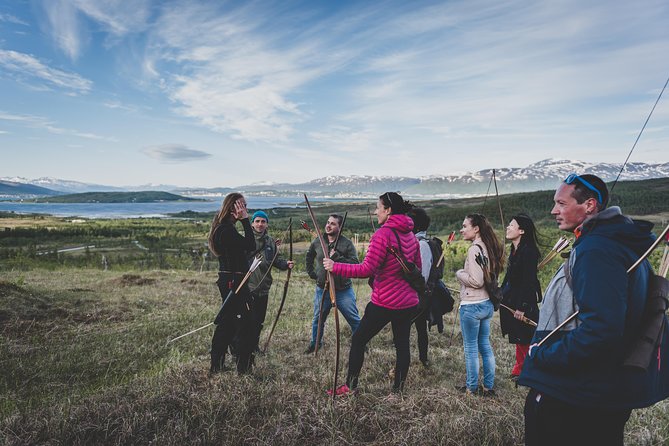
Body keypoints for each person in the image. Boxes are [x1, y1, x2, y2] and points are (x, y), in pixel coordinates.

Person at [519, 173, 669, 445]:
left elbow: (602, 329)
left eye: (561, 203)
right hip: (599, 391)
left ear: (589, 206)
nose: (554, 211)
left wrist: (543, 355)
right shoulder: (620, 245)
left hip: (576, 394)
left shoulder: (597, 250)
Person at [323, 192, 421, 394]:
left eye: (379, 207)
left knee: (358, 340)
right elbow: (417, 268)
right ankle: (397, 391)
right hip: (408, 302)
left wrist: (335, 266)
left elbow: (365, 269)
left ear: (388, 210)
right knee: (402, 345)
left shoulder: (383, 234)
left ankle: (350, 386)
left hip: (385, 302)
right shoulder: (411, 235)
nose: (376, 211)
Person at [207, 193, 256, 374]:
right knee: (243, 324)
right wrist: (245, 221)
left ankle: (219, 365)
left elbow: (244, 248)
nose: (245, 209)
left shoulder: (226, 229)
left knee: (228, 323)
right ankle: (241, 368)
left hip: (234, 280)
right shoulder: (225, 230)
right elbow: (249, 245)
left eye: (245, 206)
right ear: (233, 208)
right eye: (242, 205)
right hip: (234, 282)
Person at [455, 213, 504, 396]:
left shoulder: (475, 249)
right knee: (484, 344)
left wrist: (460, 273)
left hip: (472, 305)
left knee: (471, 349)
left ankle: (472, 388)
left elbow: (476, 281)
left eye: (465, 226)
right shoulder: (489, 246)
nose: (462, 229)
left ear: (476, 229)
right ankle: (488, 386)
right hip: (486, 304)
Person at [305, 214, 361, 353]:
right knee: (318, 319)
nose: (328, 225)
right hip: (322, 289)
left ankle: (361, 343)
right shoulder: (318, 241)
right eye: (328, 222)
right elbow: (309, 256)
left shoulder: (347, 243)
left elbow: (355, 264)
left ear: (340, 227)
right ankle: (315, 344)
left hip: (343, 290)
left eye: (333, 224)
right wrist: (312, 273)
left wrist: (337, 257)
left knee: (354, 319)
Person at [499, 214, 541, 381]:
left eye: (512, 225)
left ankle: (527, 371)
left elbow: (528, 282)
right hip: (513, 299)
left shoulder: (529, 252)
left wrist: (522, 307)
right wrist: (500, 294)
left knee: (525, 336)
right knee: (518, 335)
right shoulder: (515, 250)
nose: (508, 228)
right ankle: (519, 369)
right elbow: (510, 277)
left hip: (525, 301)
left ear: (522, 231)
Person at [246, 210, 294, 352]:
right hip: (248, 288)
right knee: (246, 321)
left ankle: (254, 347)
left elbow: (276, 260)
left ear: (267, 224)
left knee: (258, 322)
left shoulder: (270, 242)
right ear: (252, 223)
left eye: (263, 221)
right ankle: (242, 348)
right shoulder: (246, 240)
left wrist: (286, 264)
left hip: (263, 288)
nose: (260, 224)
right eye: (257, 221)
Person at [407, 206, 433, 367]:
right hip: (418, 293)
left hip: (419, 294)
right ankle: (423, 359)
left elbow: (423, 274)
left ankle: (421, 358)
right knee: (420, 326)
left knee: (413, 326)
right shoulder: (418, 242)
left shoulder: (422, 245)